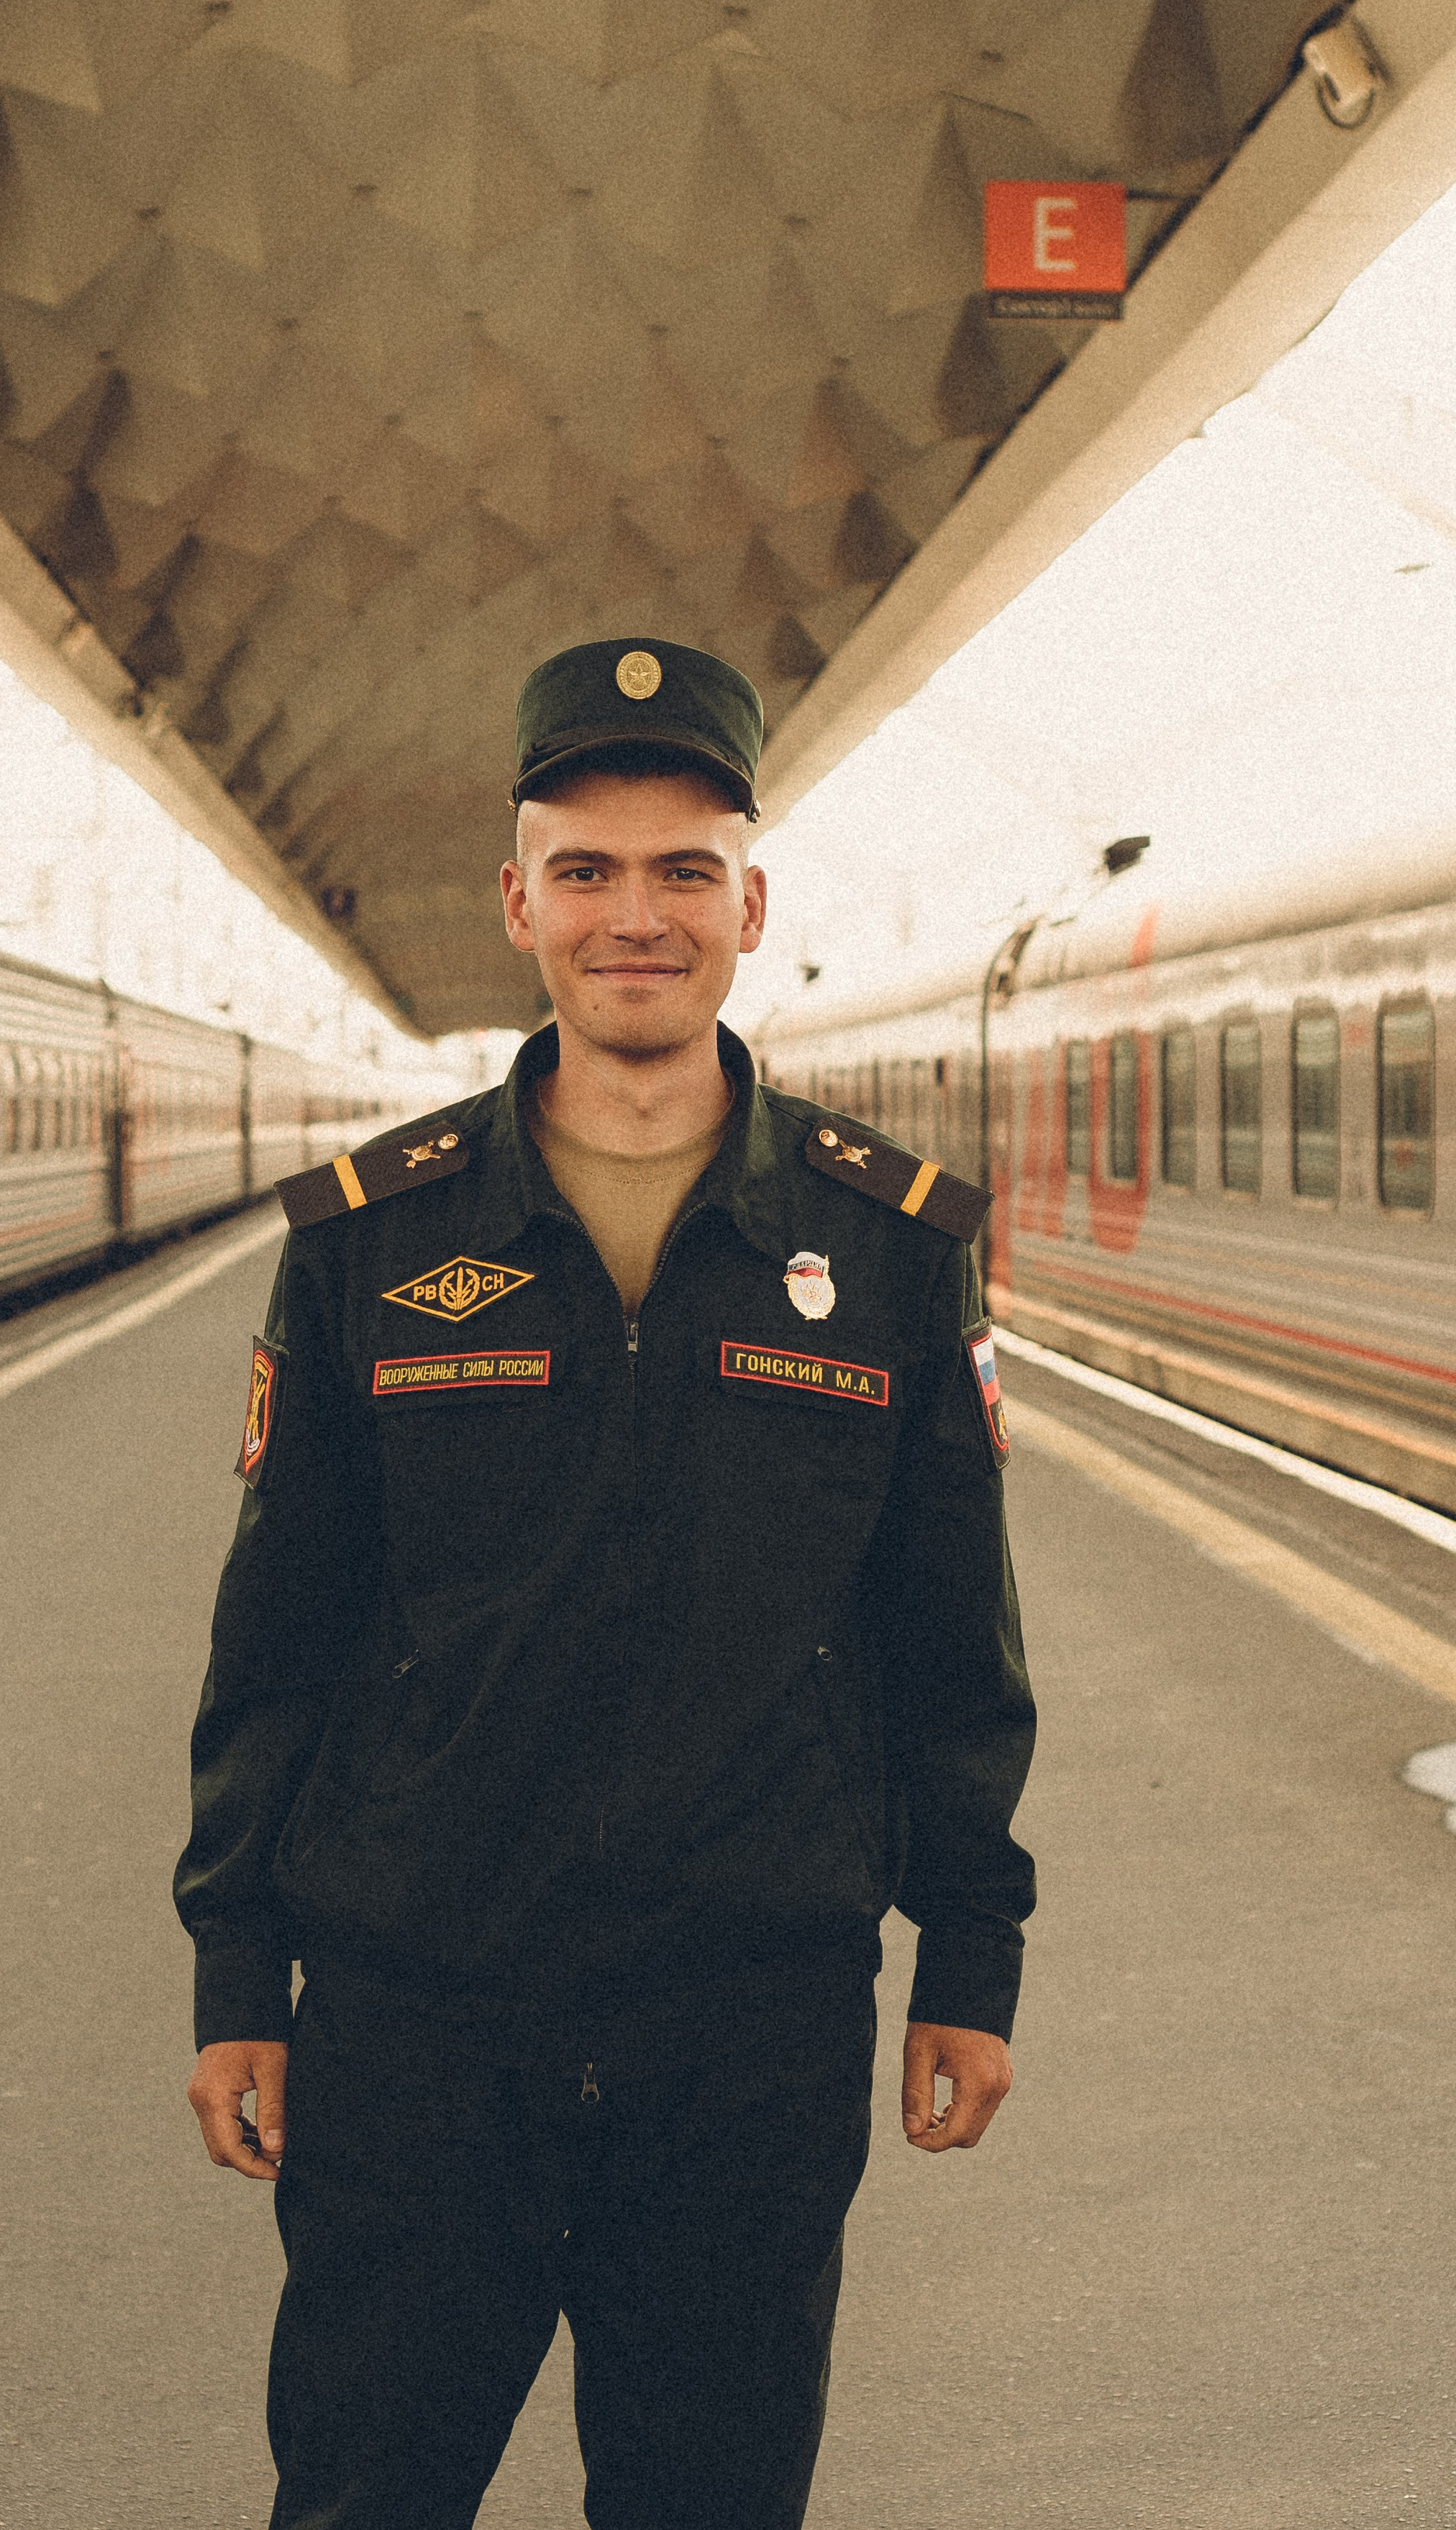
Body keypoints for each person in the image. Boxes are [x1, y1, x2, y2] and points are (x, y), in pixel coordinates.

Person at [176, 636, 1037, 2530]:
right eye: (585, 868)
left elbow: (948, 1642)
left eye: (679, 870)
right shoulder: (366, 1242)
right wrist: (241, 1969)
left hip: (750, 2030)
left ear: (750, 905)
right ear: (517, 903)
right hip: (416, 2029)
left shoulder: (888, 1244)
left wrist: (969, 1955)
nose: (632, 915)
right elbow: (281, 1637)